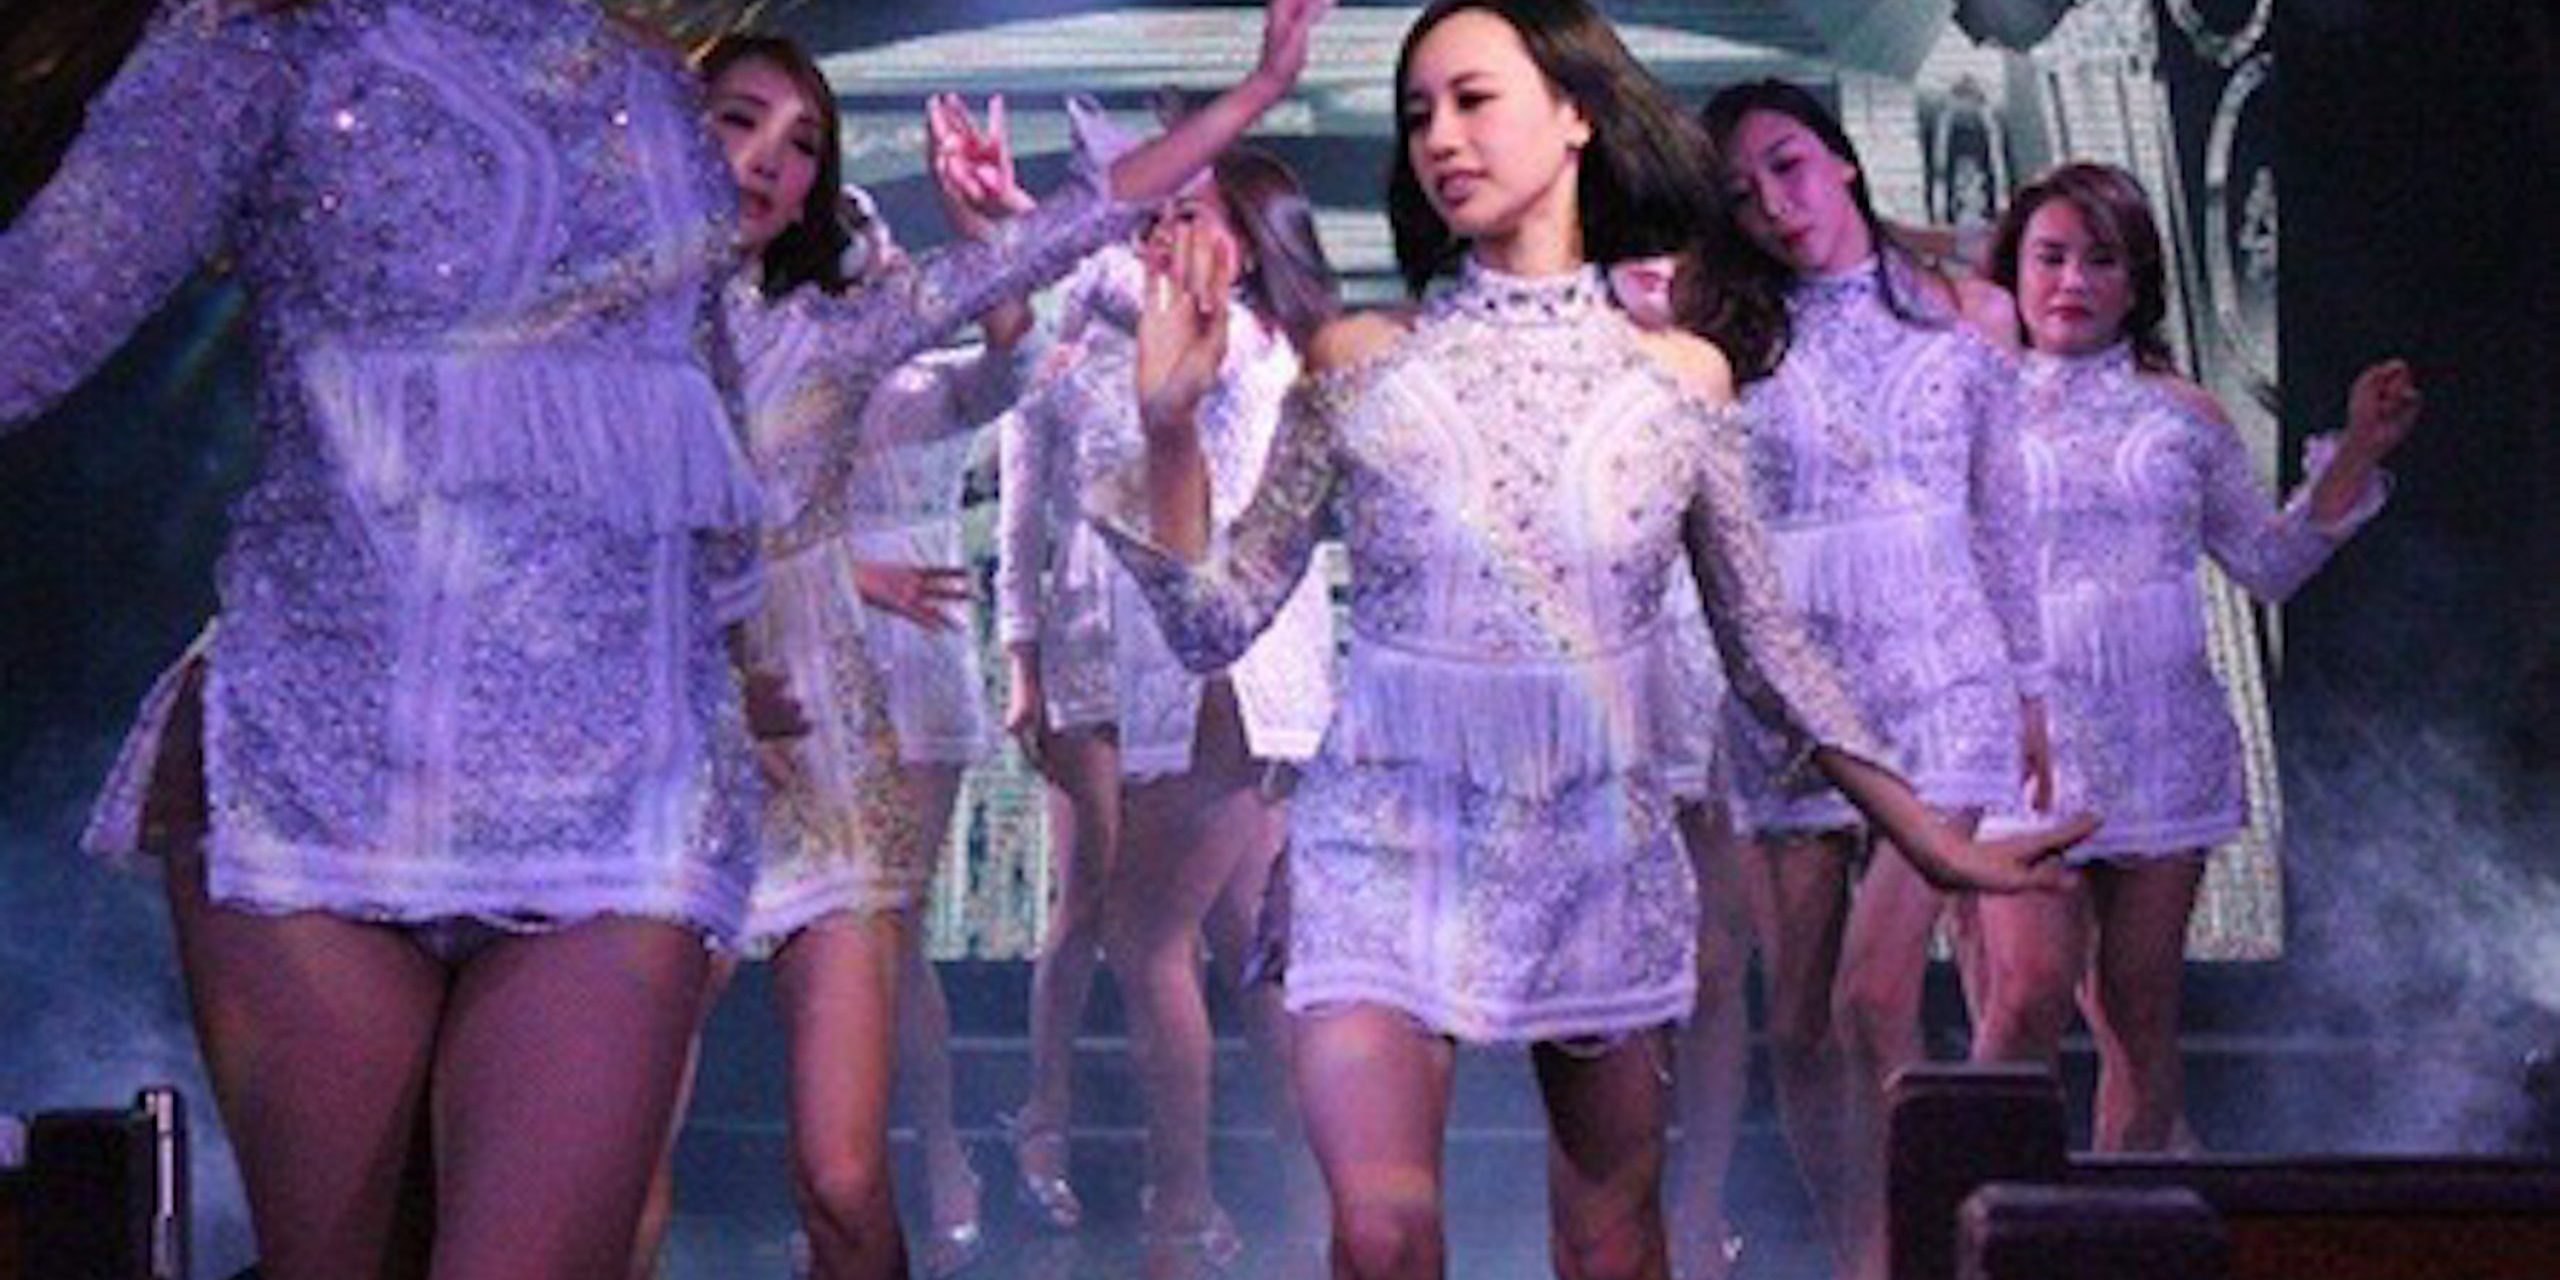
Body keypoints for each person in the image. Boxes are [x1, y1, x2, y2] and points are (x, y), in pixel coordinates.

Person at [1108, 5, 2086, 1276]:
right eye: (1417, 114)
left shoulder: (1680, 378)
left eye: (1473, 100)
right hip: (1380, 839)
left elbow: (1765, 648)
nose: (1440, 138)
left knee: (1614, 1244)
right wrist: (1169, 429)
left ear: (1575, 114)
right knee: (1383, 1235)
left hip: (1592, 847)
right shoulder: (1355, 359)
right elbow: (1212, 621)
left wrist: (1927, 833)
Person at [11, 1, 775, 1273]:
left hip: (626, 795)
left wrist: (752, 665)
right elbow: (36, 311)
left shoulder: (647, 82)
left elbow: (705, 416)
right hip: (321, 778)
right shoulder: (259, 48)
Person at [648, 17, 1333, 1279]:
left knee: (855, 1163)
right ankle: (1152, 1176)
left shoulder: (845, 336)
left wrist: (1251, 93)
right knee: (629, 1124)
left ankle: (1213, 1199)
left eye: (798, 144)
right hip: (662, 732)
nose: (765, 161)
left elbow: (1028, 310)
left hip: (983, 707)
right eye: (739, 123)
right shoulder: (604, 334)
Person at [1971, 160, 2419, 1151]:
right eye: (2050, 257)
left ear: (2137, 281)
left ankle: (2120, 1226)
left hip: (2161, 744)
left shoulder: (2184, 414)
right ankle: (1971, 1215)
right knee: (2028, 993)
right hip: (2024, 750)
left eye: (2100, 260)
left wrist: (2356, 449)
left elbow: (2266, 562)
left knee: (2138, 1010)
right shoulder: (1972, 402)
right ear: (2013, 271)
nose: (2072, 281)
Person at [1696, 77, 2053, 1280]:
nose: (1772, 203)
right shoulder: (1727, 336)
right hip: (1790, 697)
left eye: (1787, 165)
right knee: (1799, 1022)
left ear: (1841, 159)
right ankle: (1863, 1247)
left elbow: (2001, 513)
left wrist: (2030, 688)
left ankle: (1903, 1258)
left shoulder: (1972, 315)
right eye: (1742, 192)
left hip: (1942, 677)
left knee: (1870, 997)